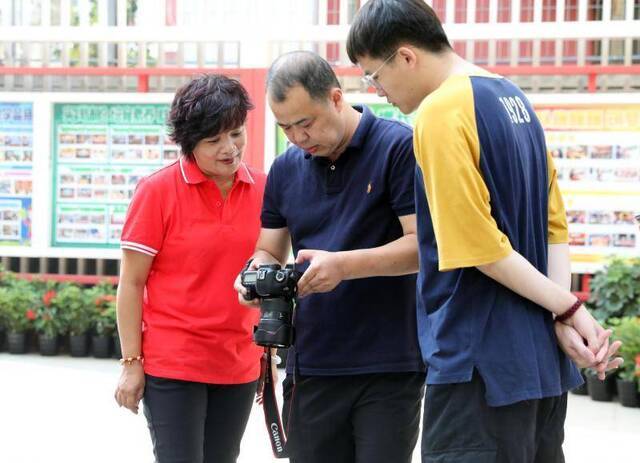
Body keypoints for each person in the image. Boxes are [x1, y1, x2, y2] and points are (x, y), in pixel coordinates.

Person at [346, 2, 622, 462]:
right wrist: (561, 315)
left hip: (478, 368)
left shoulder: (439, 112)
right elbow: (555, 230)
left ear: (407, 56)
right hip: (539, 371)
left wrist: (571, 309)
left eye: (374, 76)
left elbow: (480, 247)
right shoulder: (515, 98)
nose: (379, 93)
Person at [235, 51, 425, 463]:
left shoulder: (398, 147)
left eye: (306, 123)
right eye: (285, 127)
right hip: (312, 365)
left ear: (336, 98)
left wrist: (343, 266)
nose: (298, 137)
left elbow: (421, 247)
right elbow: (269, 248)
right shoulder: (286, 169)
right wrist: (256, 275)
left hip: (390, 365)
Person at [114, 74, 266, 463]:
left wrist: (265, 355)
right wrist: (132, 363)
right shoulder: (157, 191)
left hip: (239, 362)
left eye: (235, 133)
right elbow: (131, 283)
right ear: (188, 144)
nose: (229, 149)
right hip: (175, 363)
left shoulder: (266, 190)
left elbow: (267, 276)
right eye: (213, 140)